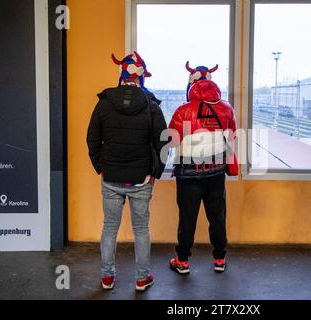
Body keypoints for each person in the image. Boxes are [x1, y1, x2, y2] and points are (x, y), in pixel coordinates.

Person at [87, 51, 168, 291]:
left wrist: (100, 167)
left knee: (109, 227)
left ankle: (107, 277)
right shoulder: (151, 106)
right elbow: (164, 142)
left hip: (110, 178)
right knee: (141, 230)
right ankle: (142, 279)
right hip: (141, 180)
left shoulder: (104, 103)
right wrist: (156, 172)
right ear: (142, 78)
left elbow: (92, 139)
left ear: (121, 75)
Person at [168, 62, 237, 275]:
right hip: (216, 173)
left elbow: (171, 141)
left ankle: (183, 262)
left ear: (192, 87)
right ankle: (219, 259)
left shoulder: (183, 110)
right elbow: (232, 137)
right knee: (217, 217)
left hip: (188, 175)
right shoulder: (226, 109)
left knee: (187, 218)